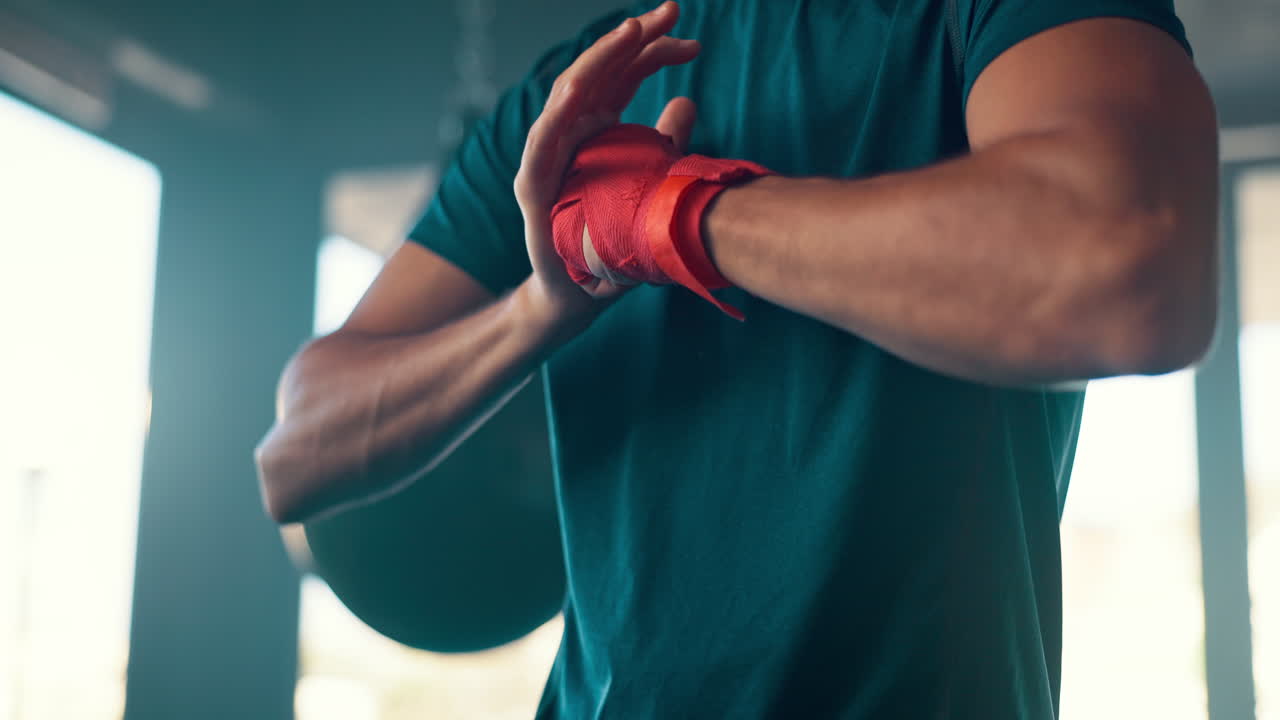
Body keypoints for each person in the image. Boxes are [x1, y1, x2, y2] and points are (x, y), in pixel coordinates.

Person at [255, 0, 1218, 716]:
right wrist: (540, 307)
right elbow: (297, 455)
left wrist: (676, 216)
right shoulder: (574, 93)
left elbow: (1123, 269)